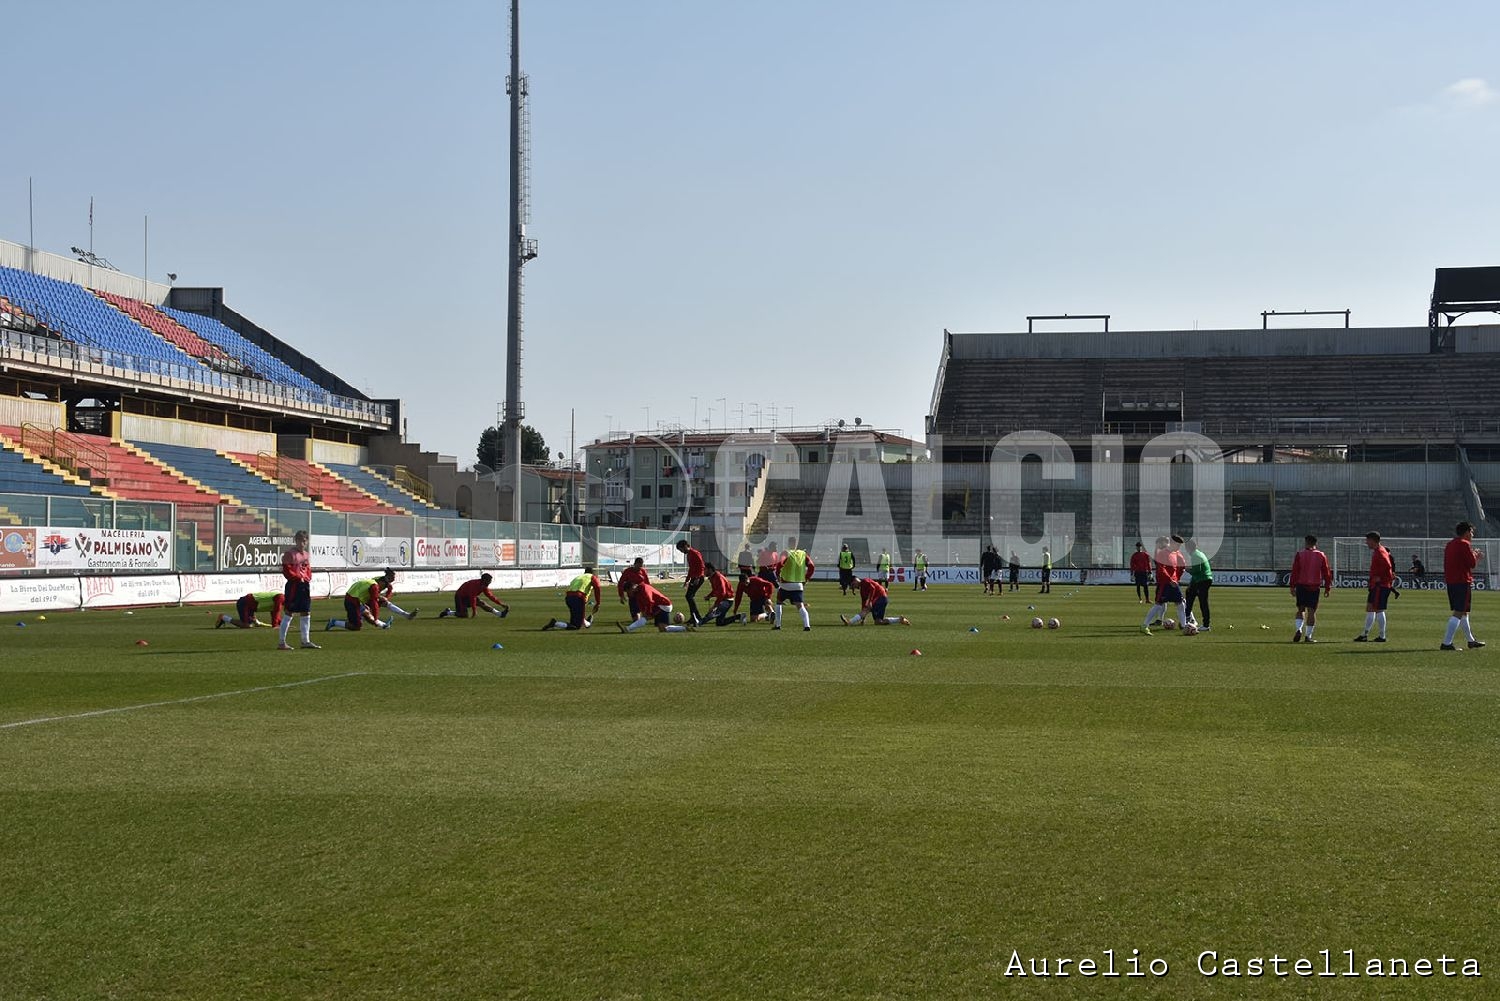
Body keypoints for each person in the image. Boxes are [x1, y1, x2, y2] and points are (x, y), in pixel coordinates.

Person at [1441, 521, 1485, 651]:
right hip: (1462, 581)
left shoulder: (1450, 544)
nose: (1472, 535)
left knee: (1463, 612)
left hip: (1452, 581)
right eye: (1471, 532)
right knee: (1459, 612)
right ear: (1466, 532)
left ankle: (1471, 641)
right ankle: (1446, 643)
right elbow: (1472, 564)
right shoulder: (1464, 544)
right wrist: (1476, 555)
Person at [278, 529, 320, 650]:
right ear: (295, 540)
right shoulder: (290, 554)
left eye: (304, 541)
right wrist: (297, 578)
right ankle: (281, 642)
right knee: (289, 612)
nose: (302, 543)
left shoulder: (306, 555)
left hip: (304, 586)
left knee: (306, 612)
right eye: (300, 540)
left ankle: (305, 641)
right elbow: (286, 571)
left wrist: (308, 578)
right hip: (294, 586)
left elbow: (307, 569)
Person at [1289, 534, 1333, 643]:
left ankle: (1299, 629)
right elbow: (1326, 572)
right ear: (1315, 543)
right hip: (1314, 586)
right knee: (1312, 611)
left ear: (1306, 542)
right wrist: (1327, 587)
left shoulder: (1300, 554)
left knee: (1300, 609)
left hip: (1301, 585)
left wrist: (1292, 586)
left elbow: (1295, 571)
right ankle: (1308, 636)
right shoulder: (1321, 555)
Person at [1354, 532, 1395, 642]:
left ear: (1372, 540)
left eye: (1367, 540)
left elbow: (1388, 566)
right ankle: (1365, 634)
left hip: (1380, 586)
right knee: (1370, 608)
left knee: (1378, 609)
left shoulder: (1380, 552)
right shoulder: (1379, 551)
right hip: (1377, 585)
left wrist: (1381, 578)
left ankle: (1382, 636)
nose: (1366, 542)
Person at [1141, 536, 1186, 635]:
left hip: (1174, 583)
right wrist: (1170, 580)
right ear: (1173, 543)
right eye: (1178, 545)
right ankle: (1144, 625)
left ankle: (1184, 626)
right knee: (1158, 604)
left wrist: (1176, 578)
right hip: (1164, 584)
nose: (1179, 547)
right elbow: (1161, 569)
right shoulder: (1162, 554)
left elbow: (1182, 567)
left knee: (1180, 603)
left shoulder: (1177, 553)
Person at [326, 570, 397, 632]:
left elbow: (360, 592)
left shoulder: (372, 582)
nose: (383, 588)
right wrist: (375, 617)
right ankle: (334, 622)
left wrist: (363, 603)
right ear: (381, 582)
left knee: (367, 614)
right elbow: (374, 603)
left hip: (354, 599)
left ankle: (384, 625)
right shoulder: (374, 586)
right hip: (352, 602)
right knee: (356, 626)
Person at [618, 580, 693, 633]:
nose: (628, 594)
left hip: (664, 605)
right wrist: (644, 612)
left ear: (632, 587)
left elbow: (650, 601)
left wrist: (648, 613)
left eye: (628, 592)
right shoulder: (637, 593)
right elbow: (641, 604)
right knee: (662, 629)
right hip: (658, 605)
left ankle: (627, 629)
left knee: (646, 618)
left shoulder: (644, 588)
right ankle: (685, 628)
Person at [775, 536, 815, 631]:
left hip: (785, 584)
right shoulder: (803, 554)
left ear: (789, 543)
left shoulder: (786, 553)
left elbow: (780, 564)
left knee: (778, 603)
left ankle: (778, 625)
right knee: (800, 606)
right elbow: (812, 566)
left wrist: (778, 575)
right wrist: (806, 578)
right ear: (796, 544)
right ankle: (807, 626)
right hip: (798, 584)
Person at [840, 576, 911, 626]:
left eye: (853, 585)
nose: (854, 587)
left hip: (881, 598)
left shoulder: (865, 581)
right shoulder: (862, 590)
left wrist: (869, 601)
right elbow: (863, 604)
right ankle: (899, 620)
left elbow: (873, 588)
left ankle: (850, 622)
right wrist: (863, 619)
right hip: (878, 599)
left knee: (867, 610)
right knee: (878, 622)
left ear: (856, 580)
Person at [439, 573, 509, 619]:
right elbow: (473, 598)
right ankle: (448, 612)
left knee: (482, 603)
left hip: (468, 597)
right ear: (484, 580)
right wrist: (474, 611)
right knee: (463, 615)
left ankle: (500, 614)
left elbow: (490, 596)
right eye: (489, 581)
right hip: (460, 597)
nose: (489, 583)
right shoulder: (475, 585)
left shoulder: (484, 585)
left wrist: (501, 604)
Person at [1182, 539, 1213, 631]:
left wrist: (1187, 569)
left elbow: (1197, 570)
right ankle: (1188, 618)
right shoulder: (1198, 553)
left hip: (1203, 580)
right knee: (1189, 594)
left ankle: (1206, 625)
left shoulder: (1195, 555)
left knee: (1203, 602)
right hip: (1201, 579)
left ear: (1188, 548)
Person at [677, 539, 707, 624]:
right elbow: (691, 569)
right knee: (689, 596)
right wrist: (687, 581)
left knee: (689, 596)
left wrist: (698, 577)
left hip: (699, 578)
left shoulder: (695, 553)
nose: (681, 551)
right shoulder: (689, 555)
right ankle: (694, 617)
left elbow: (702, 566)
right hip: (694, 578)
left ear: (686, 546)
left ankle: (696, 617)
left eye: (681, 549)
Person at [217, 590, 285, 629]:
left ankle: (255, 621)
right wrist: (275, 625)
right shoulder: (280, 598)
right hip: (245, 603)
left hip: (250, 606)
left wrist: (282, 624)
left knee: (252, 624)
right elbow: (276, 611)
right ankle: (223, 617)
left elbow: (274, 613)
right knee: (246, 625)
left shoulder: (281, 598)